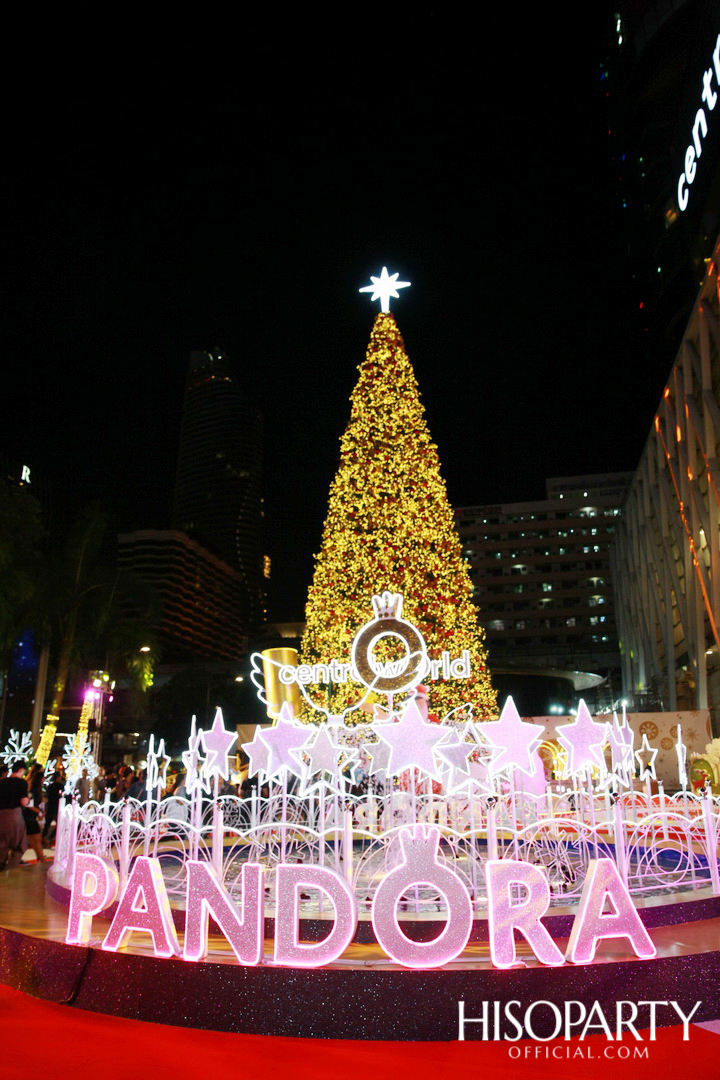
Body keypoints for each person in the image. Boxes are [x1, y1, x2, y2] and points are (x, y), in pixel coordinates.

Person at [0, 759, 30, 870]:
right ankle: (8, 870)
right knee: (20, 846)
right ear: (21, 770)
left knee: (2, 847)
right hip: (14, 816)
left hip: (1, 816)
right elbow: (23, 801)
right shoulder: (21, 782)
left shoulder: (2, 782)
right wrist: (28, 799)